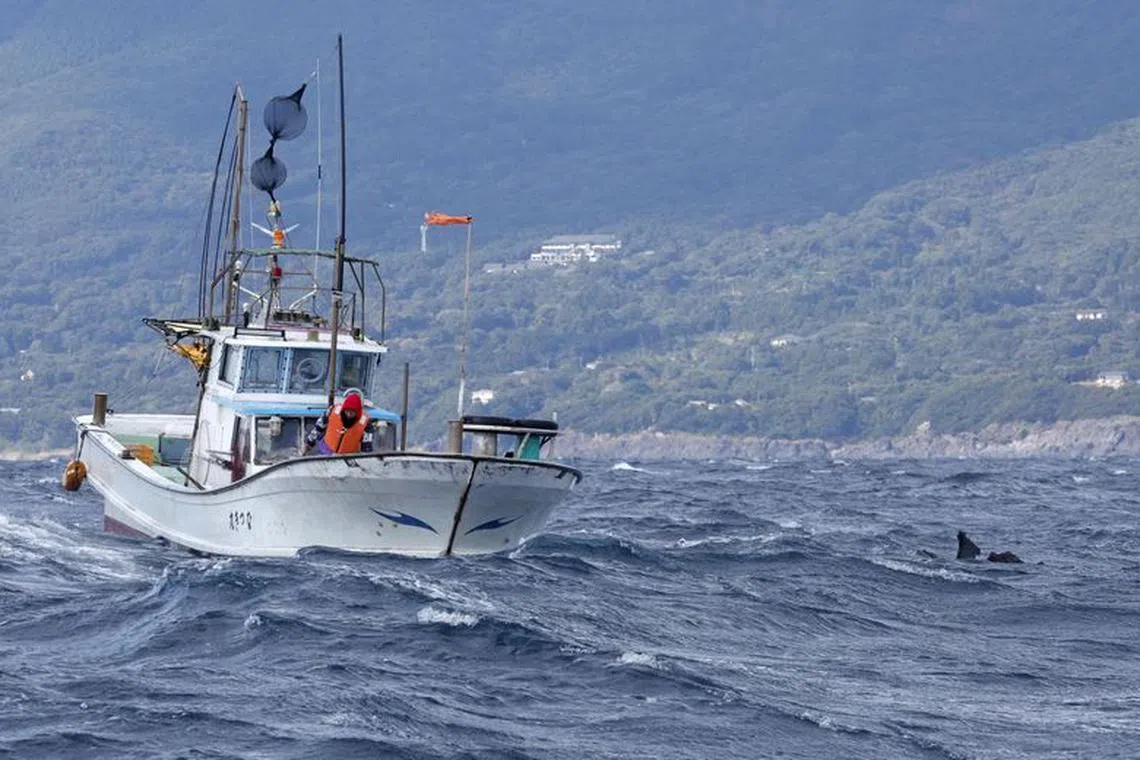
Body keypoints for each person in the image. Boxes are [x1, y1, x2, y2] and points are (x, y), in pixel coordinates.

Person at [304, 389, 374, 455]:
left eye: (352, 412)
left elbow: (367, 448)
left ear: (358, 413)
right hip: (325, 453)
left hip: (348, 458)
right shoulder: (331, 410)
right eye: (347, 411)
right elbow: (318, 428)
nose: (349, 414)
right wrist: (309, 444)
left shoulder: (366, 424)